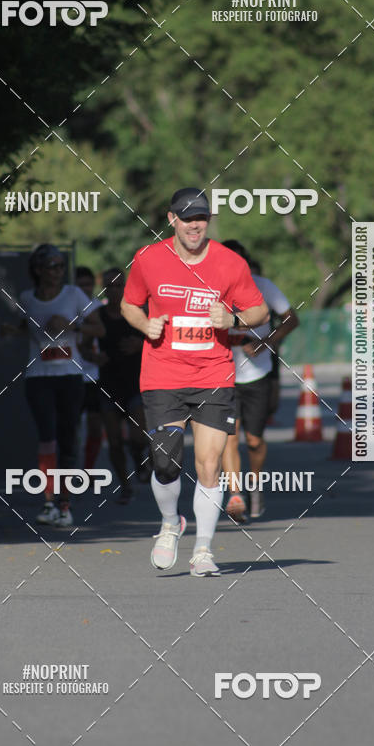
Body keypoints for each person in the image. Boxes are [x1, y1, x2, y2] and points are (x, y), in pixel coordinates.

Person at [121, 188, 269, 576]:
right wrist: (145, 324)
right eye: (187, 218)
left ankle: (203, 550)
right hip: (163, 373)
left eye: (201, 217)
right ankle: (171, 523)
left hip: (213, 375)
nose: (194, 225)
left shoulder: (230, 263)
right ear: (171, 219)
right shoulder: (148, 258)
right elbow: (128, 304)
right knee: (165, 461)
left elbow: (260, 310)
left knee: (209, 463)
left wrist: (233, 320)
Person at [1, 244, 104, 527]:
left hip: (70, 376)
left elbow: (99, 328)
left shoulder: (73, 294)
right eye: (51, 266)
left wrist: (73, 326)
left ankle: (65, 505)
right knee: (47, 437)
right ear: (37, 270)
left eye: (61, 266)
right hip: (38, 376)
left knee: (68, 437)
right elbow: (28, 326)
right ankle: (49, 503)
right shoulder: (27, 298)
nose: (57, 271)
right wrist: (12, 331)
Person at [221, 240, 299, 521]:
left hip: (257, 374)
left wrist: (266, 342)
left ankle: (254, 485)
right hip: (222, 375)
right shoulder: (210, 288)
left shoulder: (263, 286)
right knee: (229, 438)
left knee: (254, 440)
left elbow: (291, 319)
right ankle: (235, 494)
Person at [96, 267, 150, 504]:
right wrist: (92, 356)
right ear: (103, 289)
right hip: (108, 385)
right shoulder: (97, 315)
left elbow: (159, 339)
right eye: (110, 286)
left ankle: (139, 459)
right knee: (115, 441)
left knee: (139, 438)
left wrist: (141, 345)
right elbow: (83, 343)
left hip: (135, 383)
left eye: (119, 285)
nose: (115, 290)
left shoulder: (138, 313)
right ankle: (125, 486)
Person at [75, 266, 104, 471]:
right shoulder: (67, 306)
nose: (85, 288)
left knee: (95, 427)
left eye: (88, 284)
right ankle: (68, 470)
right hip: (72, 374)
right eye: (81, 285)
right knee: (71, 428)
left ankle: (88, 469)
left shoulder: (98, 308)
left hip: (94, 376)